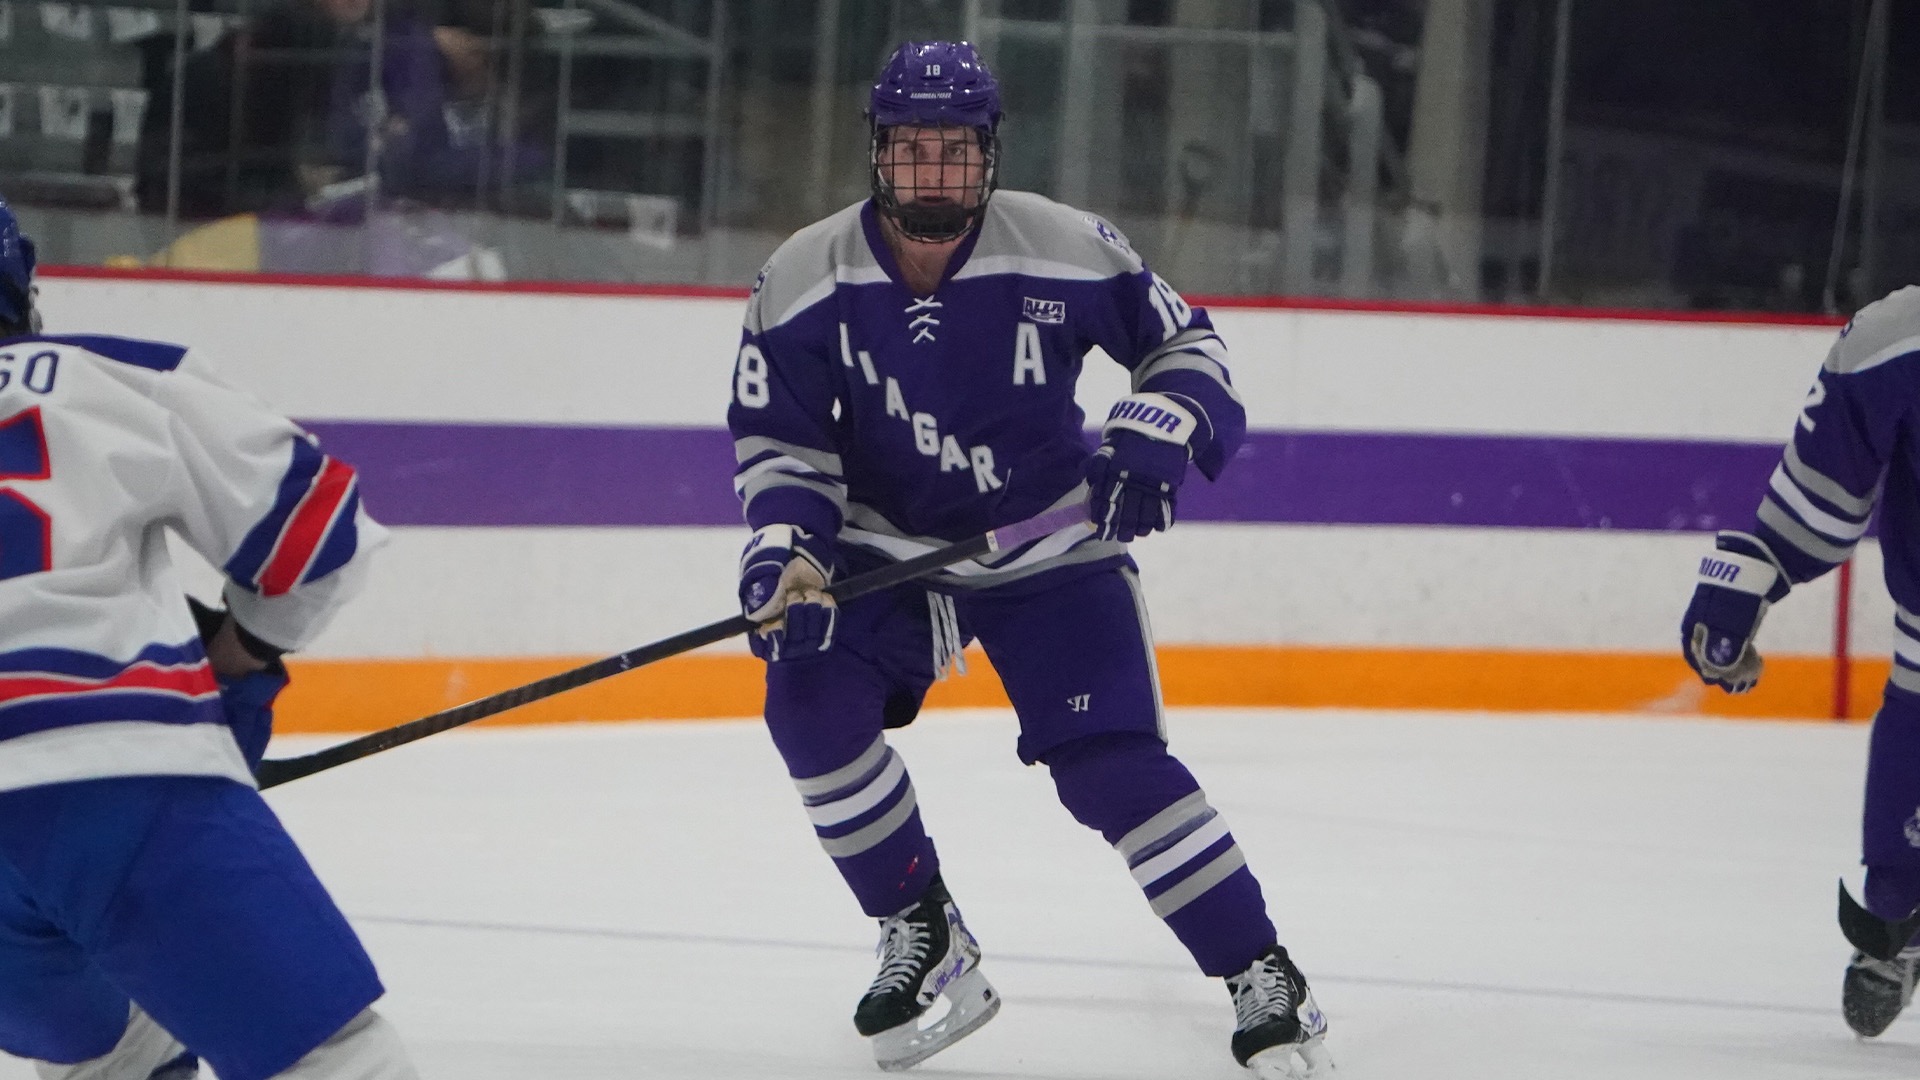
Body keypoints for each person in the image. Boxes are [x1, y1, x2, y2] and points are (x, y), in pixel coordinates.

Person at [726, 42, 1330, 1079]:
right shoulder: (801, 277)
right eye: (913, 149)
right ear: (879, 152)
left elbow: (1188, 347)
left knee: (1114, 773)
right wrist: (790, 556)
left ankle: (1262, 972)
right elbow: (782, 443)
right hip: (890, 552)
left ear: (990, 154)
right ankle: (923, 929)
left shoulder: (1062, 246)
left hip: (1049, 540)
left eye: (955, 151)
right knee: (807, 706)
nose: (934, 172)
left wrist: (1158, 426)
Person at [0, 198, 420, 1080]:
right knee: (329, 1058)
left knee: (113, 1050)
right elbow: (317, 533)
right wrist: (249, 648)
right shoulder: (106, 377)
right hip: (115, 782)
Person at [1680, 284, 1920, 1038]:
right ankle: (1897, 916)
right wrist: (1752, 577)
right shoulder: (1895, 340)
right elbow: (1822, 492)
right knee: (1900, 873)